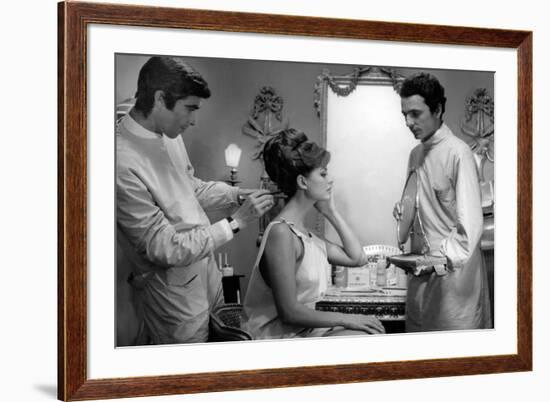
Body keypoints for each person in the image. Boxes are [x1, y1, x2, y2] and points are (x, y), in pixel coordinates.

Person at [116, 56, 274, 344]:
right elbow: (165, 248)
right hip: (172, 291)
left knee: (222, 337)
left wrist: (237, 194)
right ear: (161, 99)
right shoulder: (121, 163)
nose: (194, 120)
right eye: (189, 109)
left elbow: (191, 189)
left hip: (206, 268)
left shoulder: (169, 133)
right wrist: (236, 222)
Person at [243, 128, 385, 339]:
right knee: (367, 339)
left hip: (303, 334)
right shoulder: (281, 233)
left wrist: (332, 212)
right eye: (323, 173)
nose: (330, 180)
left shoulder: (305, 235)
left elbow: (358, 258)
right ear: (302, 182)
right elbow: (289, 312)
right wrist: (348, 318)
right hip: (276, 342)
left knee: (372, 336)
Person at [394, 72, 492, 332]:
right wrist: (405, 210)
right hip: (419, 277)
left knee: (454, 359)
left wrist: (439, 261)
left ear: (437, 109)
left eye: (415, 113)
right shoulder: (415, 154)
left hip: (453, 280)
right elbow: (420, 204)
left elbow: (470, 227)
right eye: (405, 114)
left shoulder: (458, 152)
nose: (408, 121)